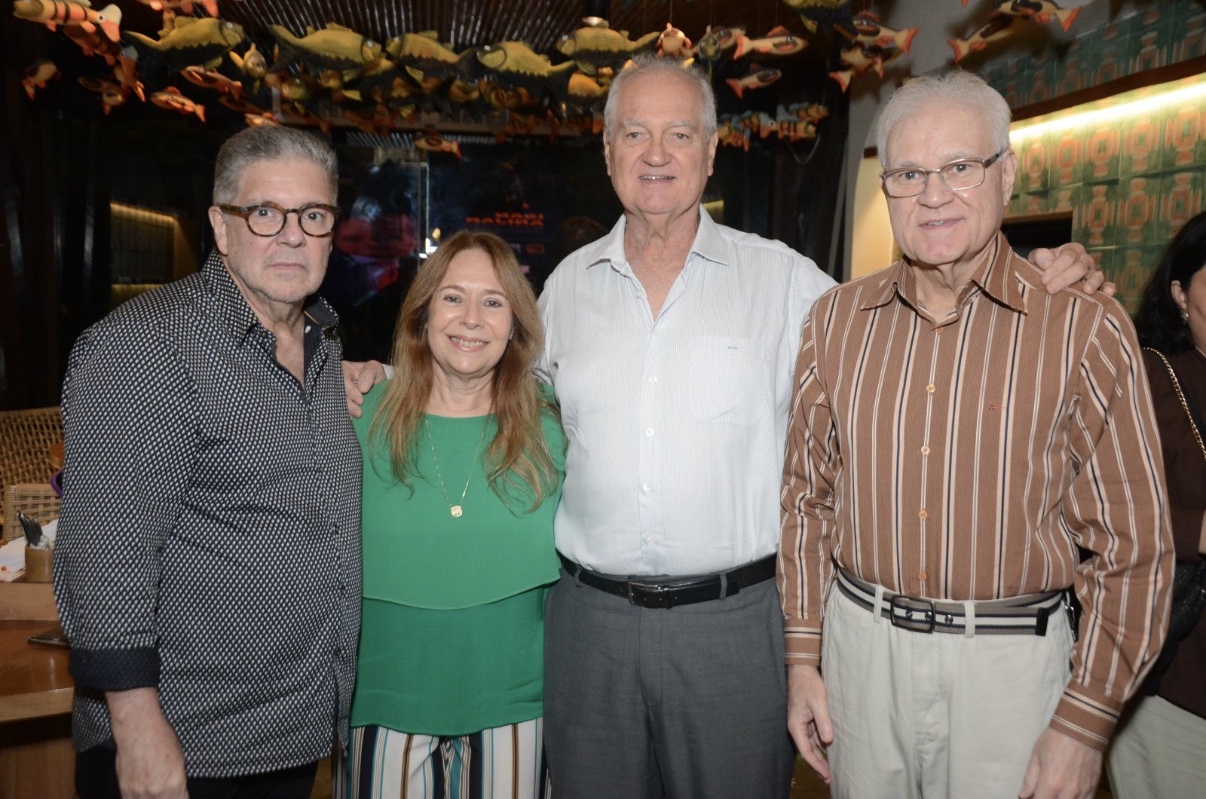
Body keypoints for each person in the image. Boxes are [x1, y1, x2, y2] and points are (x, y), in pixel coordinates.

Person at [346, 56, 1106, 798]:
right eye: (634, 133)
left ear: (711, 153)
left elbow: (907, 323)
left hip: (735, 627)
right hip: (588, 628)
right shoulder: (567, 288)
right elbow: (488, 385)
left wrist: (1030, 275)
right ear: (608, 152)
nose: (655, 154)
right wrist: (382, 377)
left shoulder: (785, 282)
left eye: (679, 134)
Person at [779, 68, 1173, 799]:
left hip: (1012, 672)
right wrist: (804, 656)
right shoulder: (833, 321)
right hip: (861, 658)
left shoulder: (1083, 328)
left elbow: (1136, 547)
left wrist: (1085, 723)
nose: (934, 194)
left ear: (1007, 174)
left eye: (960, 166)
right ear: (885, 187)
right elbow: (807, 498)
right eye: (908, 173)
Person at [53, 125, 361, 799]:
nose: (291, 235)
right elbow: (106, 553)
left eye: (312, 216)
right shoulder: (145, 347)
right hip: (187, 746)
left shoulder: (322, 347)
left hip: (292, 734)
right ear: (222, 228)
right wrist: (136, 728)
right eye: (264, 213)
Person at [345, 230, 564, 799]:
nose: (471, 318)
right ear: (421, 313)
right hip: (383, 701)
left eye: (493, 302)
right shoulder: (357, 417)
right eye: (452, 297)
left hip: (517, 704)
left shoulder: (554, 427)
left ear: (515, 324)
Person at [1106, 213, 1206, 797]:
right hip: (1175, 677)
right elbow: (1099, 513)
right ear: (1178, 293)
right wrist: (1197, 529)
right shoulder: (1147, 377)